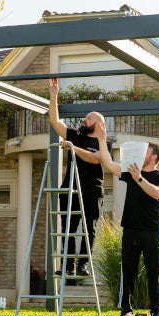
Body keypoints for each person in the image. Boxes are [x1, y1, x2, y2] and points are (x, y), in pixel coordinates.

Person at [94, 122, 159, 316]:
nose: (141, 151)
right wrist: (102, 140)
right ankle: (126, 309)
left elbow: (157, 194)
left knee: (155, 272)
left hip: (151, 232)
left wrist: (140, 179)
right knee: (128, 271)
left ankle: (156, 310)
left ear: (153, 156)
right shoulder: (130, 172)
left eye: (146, 149)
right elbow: (109, 164)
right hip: (130, 230)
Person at [48, 78, 111, 282]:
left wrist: (74, 149)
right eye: (84, 118)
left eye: (88, 119)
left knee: (88, 229)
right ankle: (68, 266)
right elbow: (55, 122)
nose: (83, 120)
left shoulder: (104, 144)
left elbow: (96, 159)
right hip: (70, 189)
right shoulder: (75, 135)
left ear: (98, 124)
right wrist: (54, 95)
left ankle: (83, 264)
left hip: (92, 189)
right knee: (68, 227)